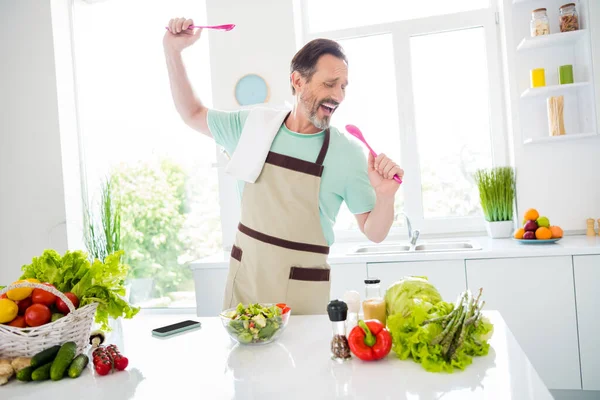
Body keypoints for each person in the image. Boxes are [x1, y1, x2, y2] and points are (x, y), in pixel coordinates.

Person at [163, 17, 404, 315]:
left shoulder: (347, 152)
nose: (339, 96)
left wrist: (386, 196)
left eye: (343, 86)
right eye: (329, 84)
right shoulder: (253, 126)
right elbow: (192, 112)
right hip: (246, 289)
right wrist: (173, 52)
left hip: (302, 298)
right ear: (297, 81)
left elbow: (375, 232)